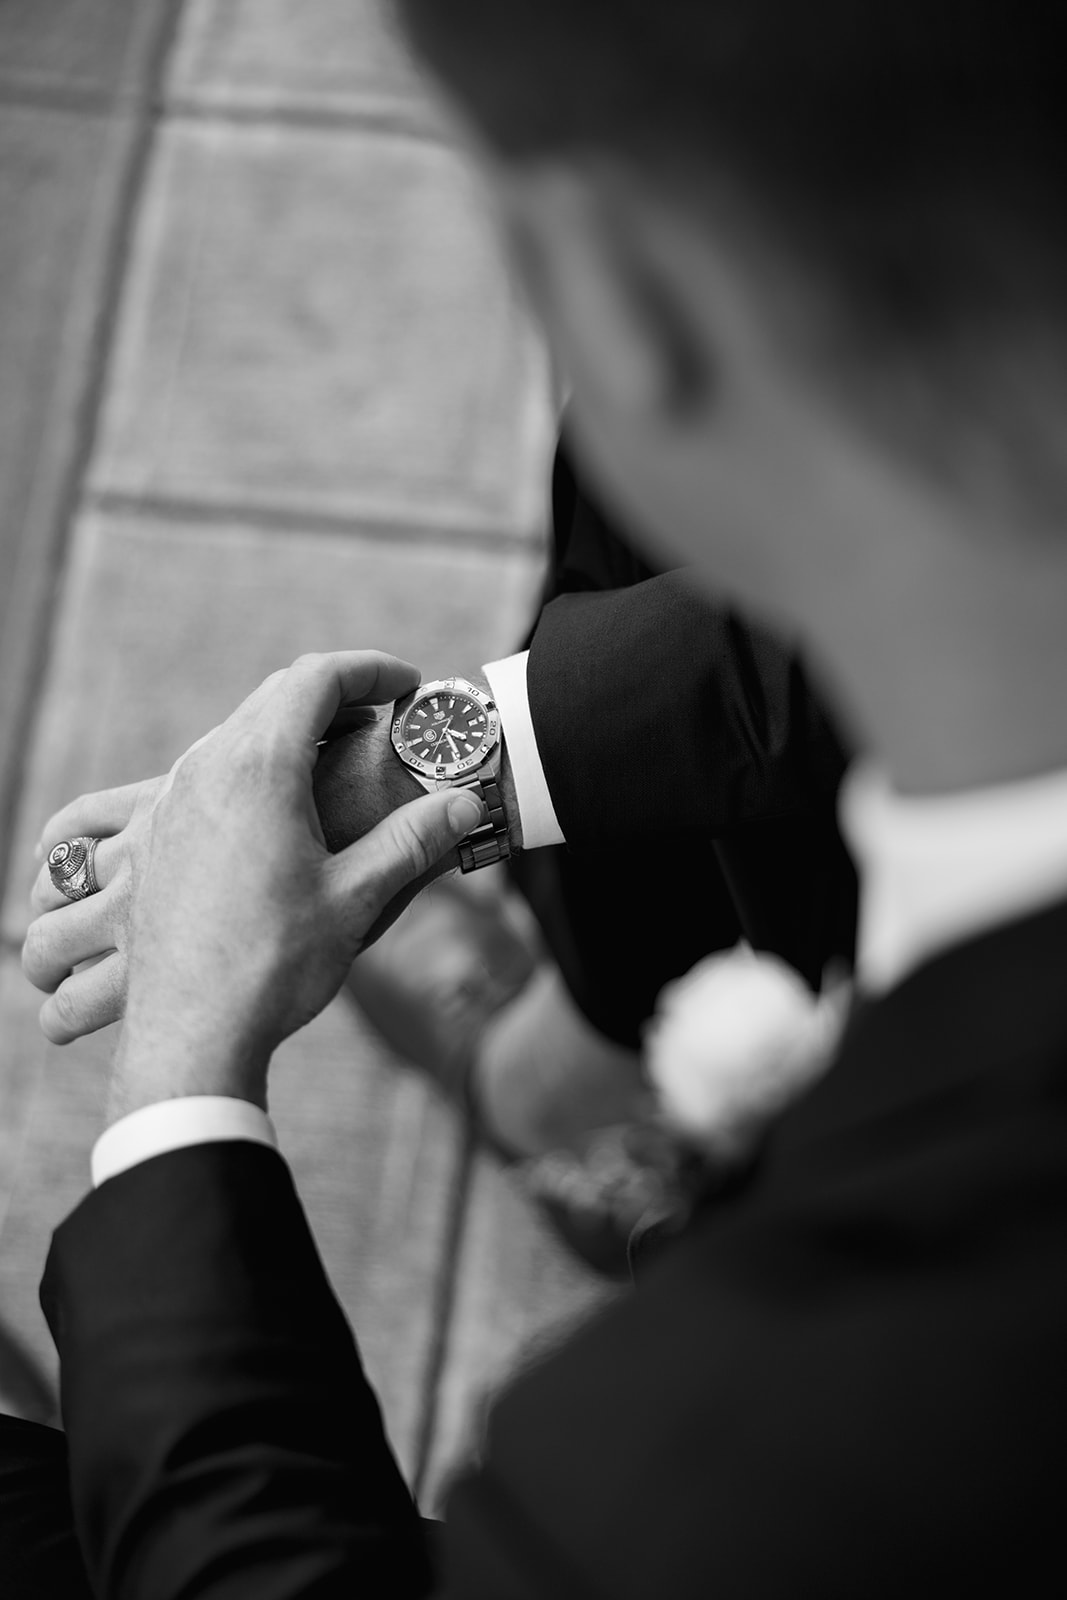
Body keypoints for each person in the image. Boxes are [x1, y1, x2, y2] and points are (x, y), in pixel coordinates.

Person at [6, 1, 1067, 1593]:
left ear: (614, 295)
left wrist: (179, 1086)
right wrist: (425, 769)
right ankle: (572, 1079)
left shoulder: (714, 1464)